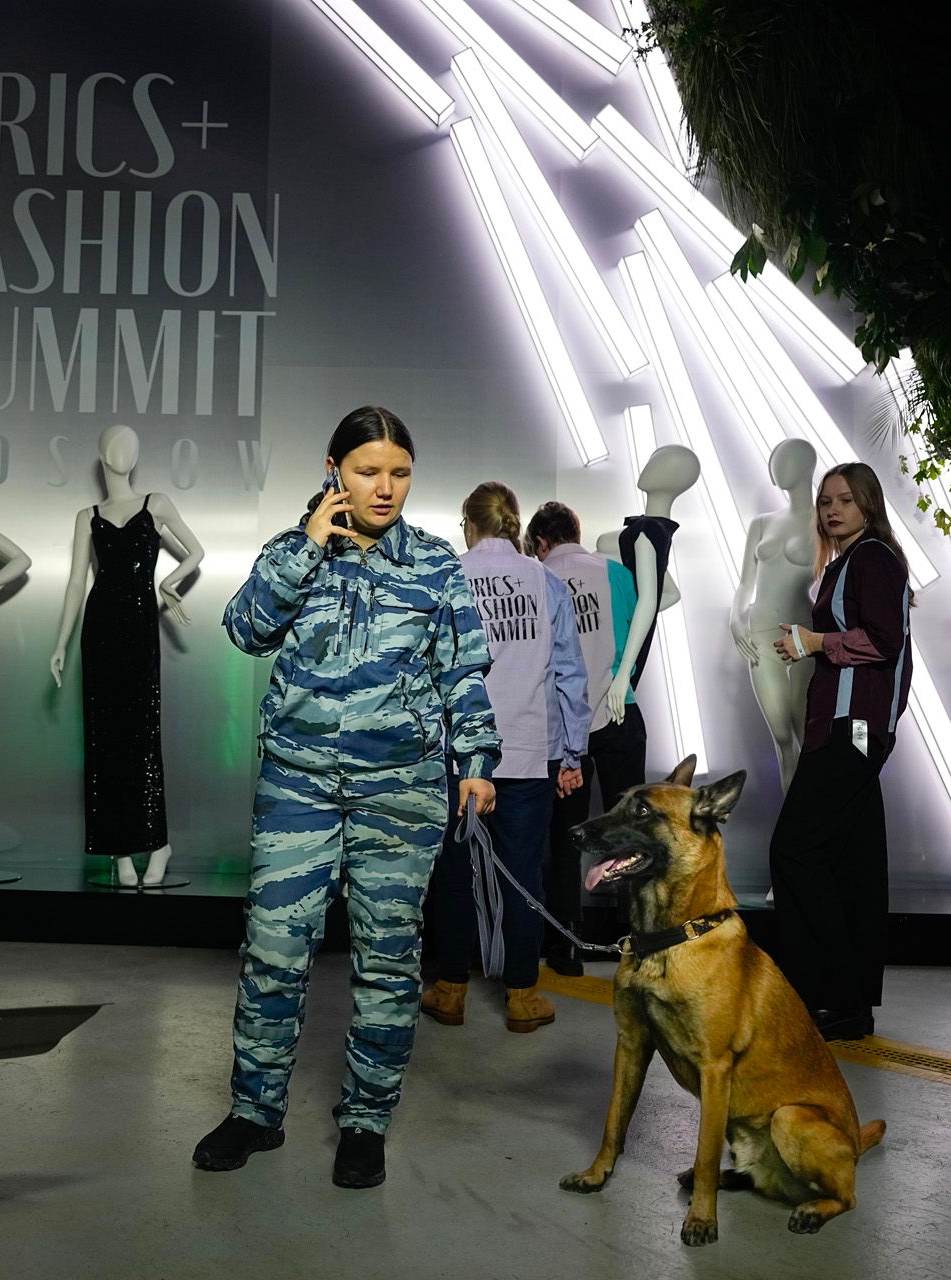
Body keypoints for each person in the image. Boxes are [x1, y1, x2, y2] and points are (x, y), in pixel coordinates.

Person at [194, 406, 500, 1190]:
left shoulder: (434, 563)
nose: (385, 487)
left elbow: (463, 669)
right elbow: (246, 631)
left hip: (400, 793)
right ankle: (254, 1113)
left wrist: (476, 759)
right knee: (272, 951)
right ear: (333, 471)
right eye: (368, 471)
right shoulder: (291, 551)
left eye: (400, 473)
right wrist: (307, 546)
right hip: (297, 785)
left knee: (388, 962)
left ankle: (365, 1122)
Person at [422, 484, 588, 1030]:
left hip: (457, 758)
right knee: (523, 875)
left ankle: (450, 990)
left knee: (453, 874)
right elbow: (569, 673)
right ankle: (522, 995)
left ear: (468, 525)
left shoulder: (446, 577)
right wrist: (572, 752)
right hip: (528, 753)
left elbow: (426, 670)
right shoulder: (546, 582)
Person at [768, 462, 914, 1041]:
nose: (832, 510)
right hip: (848, 727)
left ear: (868, 504)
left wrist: (813, 641)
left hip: (851, 728)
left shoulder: (872, 557)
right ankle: (848, 1005)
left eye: (845, 500)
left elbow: (883, 641)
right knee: (853, 866)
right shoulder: (851, 561)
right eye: (826, 501)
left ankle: (822, 992)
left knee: (795, 850)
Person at [525, 501, 632, 973]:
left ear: (541, 542)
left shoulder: (537, 579)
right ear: (576, 531)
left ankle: (566, 946)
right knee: (633, 835)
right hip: (620, 714)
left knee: (565, 838)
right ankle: (638, 941)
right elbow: (633, 644)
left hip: (564, 723)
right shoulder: (617, 574)